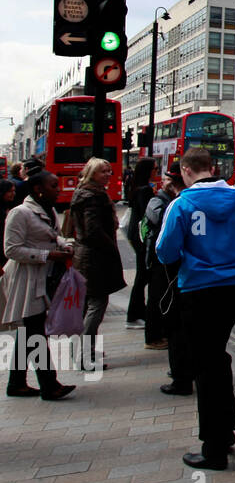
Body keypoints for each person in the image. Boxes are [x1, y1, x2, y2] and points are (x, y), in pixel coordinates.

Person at [155, 147, 235, 470]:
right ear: (212, 167)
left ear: (186, 171)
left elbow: (165, 252)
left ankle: (214, 448)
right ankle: (227, 433)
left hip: (198, 290)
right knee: (217, 359)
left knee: (206, 367)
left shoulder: (182, 204)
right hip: (233, 290)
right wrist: (232, 253)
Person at [2, 171, 77, 400]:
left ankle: (16, 383)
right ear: (38, 189)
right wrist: (47, 255)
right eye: (54, 185)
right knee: (35, 331)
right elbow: (11, 249)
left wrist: (64, 245)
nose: (58, 189)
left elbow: (55, 235)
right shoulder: (20, 213)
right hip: (26, 279)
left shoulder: (48, 209)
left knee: (28, 332)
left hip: (43, 277)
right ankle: (49, 385)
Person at [68, 158, 126, 370]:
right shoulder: (93, 196)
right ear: (92, 173)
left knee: (86, 306)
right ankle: (84, 355)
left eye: (109, 171)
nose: (108, 174)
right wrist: (110, 246)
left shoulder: (83, 192)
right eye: (103, 171)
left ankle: (82, 352)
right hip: (95, 258)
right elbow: (93, 230)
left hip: (86, 256)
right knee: (97, 305)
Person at [144, 164, 191, 395]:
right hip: (171, 271)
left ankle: (181, 375)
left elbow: (165, 247)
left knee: (178, 326)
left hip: (179, 273)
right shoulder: (166, 203)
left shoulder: (178, 204)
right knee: (173, 319)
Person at [124, 159, 157, 335]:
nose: (156, 171)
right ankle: (134, 314)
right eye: (155, 168)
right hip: (142, 238)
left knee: (142, 276)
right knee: (143, 276)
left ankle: (136, 313)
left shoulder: (137, 188)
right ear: (148, 171)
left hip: (135, 236)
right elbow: (149, 214)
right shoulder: (145, 191)